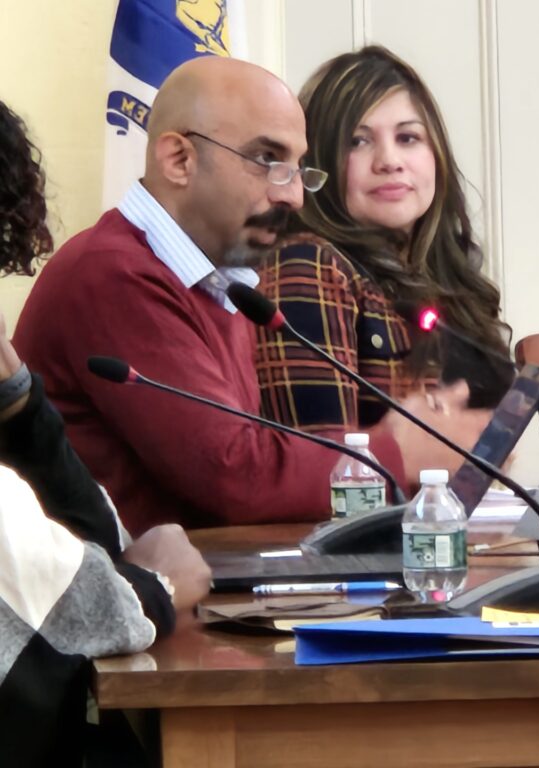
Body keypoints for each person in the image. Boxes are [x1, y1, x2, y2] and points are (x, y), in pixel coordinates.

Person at [14, 57, 472, 535]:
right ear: (179, 160)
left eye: (299, 169)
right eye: (268, 161)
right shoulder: (111, 273)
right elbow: (232, 473)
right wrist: (396, 451)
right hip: (121, 598)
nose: (294, 196)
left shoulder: (222, 282)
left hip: (197, 579)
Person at [0, 99, 210, 767]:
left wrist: (18, 405)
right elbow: (95, 607)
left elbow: (92, 539)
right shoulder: (111, 270)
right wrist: (162, 587)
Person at [254, 45, 512, 439]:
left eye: (408, 138)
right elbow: (324, 466)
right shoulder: (306, 265)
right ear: (315, 163)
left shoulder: (451, 278)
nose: (389, 161)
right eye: (358, 142)